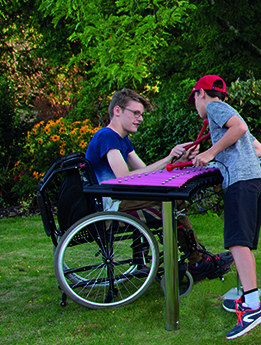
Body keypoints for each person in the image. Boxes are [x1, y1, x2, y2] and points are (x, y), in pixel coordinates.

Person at [84, 89, 232, 281]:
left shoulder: (122, 140)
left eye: (141, 115)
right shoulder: (107, 136)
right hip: (110, 205)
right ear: (118, 111)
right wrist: (169, 158)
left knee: (173, 202)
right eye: (136, 113)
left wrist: (179, 158)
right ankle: (196, 262)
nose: (140, 119)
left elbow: (147, 172)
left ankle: (195, 259)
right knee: (173, 202)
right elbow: (123, 177)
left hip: (116, 199)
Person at [188, 74, 261, 340]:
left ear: (201, 93)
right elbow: (260, 149)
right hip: (254, 179)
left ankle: (254, 308)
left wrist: (211, 153)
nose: (197, 107)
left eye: (195, 100)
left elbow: (239, 129)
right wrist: (219, 154)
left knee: (237, 242)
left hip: (241, 181)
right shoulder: (229, 111)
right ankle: (249, 301)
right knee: (242, 243)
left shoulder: (214, 107)